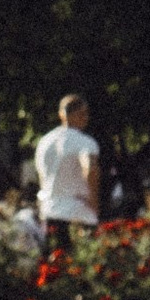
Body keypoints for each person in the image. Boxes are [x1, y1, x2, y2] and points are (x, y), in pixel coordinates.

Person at [35, 94, 101, 232]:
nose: (86, 117)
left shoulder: (45, 142)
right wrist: (94, 202)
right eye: (83, 114)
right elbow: (90, 168)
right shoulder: (85, 142)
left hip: (49, 210)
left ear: (61, 114)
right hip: (78, 211)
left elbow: (41, 176)